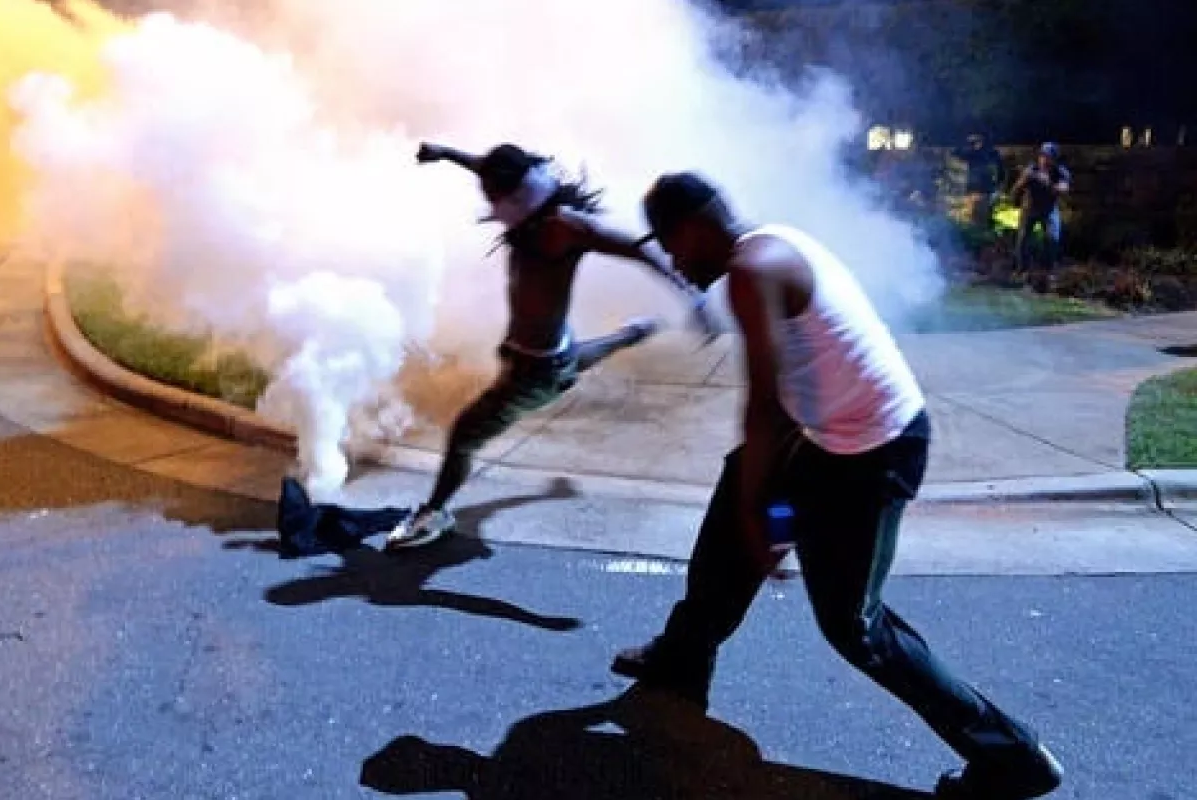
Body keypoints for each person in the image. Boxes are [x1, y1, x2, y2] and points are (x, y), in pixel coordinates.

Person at [611, 172, 1065, 799]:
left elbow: (764, 405)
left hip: (874, 454)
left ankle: (1014, 756)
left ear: (692, 227)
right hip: (824, 440)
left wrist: (763, 517)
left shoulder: (753, 271)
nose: (674, 263)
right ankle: (683, 654)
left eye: (670, 245)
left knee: (856, 626)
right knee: (737, 503)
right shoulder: (769, 244)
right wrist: (762, 512)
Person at [385, 143, 716, 550]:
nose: (487, 199)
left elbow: (638, 248)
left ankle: (432, 513)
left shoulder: (562, 227)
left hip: (533, 370)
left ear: (515, 195)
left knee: (465, 435)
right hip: (546, 353)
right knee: (570, 362)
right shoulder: (520, 203)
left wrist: (693, 296)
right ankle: (633, 333)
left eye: (493, 194)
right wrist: (444, 154)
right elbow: (483, 166)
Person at [1011, 142, 1071, 278]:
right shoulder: (1031, 169)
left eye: (1048, 157)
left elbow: (1064, 188)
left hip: (1049, 209)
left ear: (1054, 159)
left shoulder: (1060, 171)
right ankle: (1022, 270)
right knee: (1023, 239)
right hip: (1030, 208)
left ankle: (1047, 270)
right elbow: (1016, 189)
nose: (1044, 160)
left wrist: (1049, 184)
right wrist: (1018, 191)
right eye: (1042, 156)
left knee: (1053, 238)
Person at [951, 132, 1005, 227]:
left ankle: (982, 236)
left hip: (984, 192)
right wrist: (967, 143)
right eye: (975, 141)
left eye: (978, 140)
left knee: (980, 221)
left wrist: (997, 188)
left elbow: (1000, 171)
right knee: (972, 221)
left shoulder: (991, 153)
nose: (977, 143)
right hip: (973, 191)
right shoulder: (972, 153)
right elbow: (955, 152)